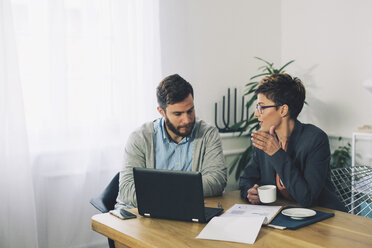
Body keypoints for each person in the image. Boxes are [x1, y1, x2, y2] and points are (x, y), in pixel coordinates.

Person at [116, 74, 227, 209]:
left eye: (190, 111)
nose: (186, 120)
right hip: (142, 214)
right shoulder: (140, 137)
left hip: (185, 212)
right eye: (178, 114)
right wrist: (179, 193)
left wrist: (164, 192)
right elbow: (127, 189)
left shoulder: (208, 134)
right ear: (161, 112)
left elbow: (217, 180)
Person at [239, 73, 346, 211]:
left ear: (283, 110)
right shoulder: (266, 139)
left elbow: (308, 198)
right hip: (285, 214)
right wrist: (250, 192)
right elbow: (246, 180)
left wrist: (277, 153)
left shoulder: (316, 140)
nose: (256, 114)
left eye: (261, 107)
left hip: (323, 217)